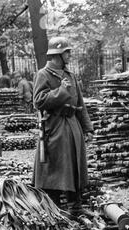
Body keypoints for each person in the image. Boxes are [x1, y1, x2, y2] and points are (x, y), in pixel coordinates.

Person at [32, 36, 94, 216]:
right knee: (55, 169)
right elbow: (38, 101)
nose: (70, 54)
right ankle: (56, 209)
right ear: (57, 54)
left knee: (76, 165)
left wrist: (87, 128)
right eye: (67, 52)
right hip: (55, 126)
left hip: (73, 124)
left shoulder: (70, 75)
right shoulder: (43, 74)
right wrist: (61, 91)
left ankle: (76, 207)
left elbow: (80, 104)